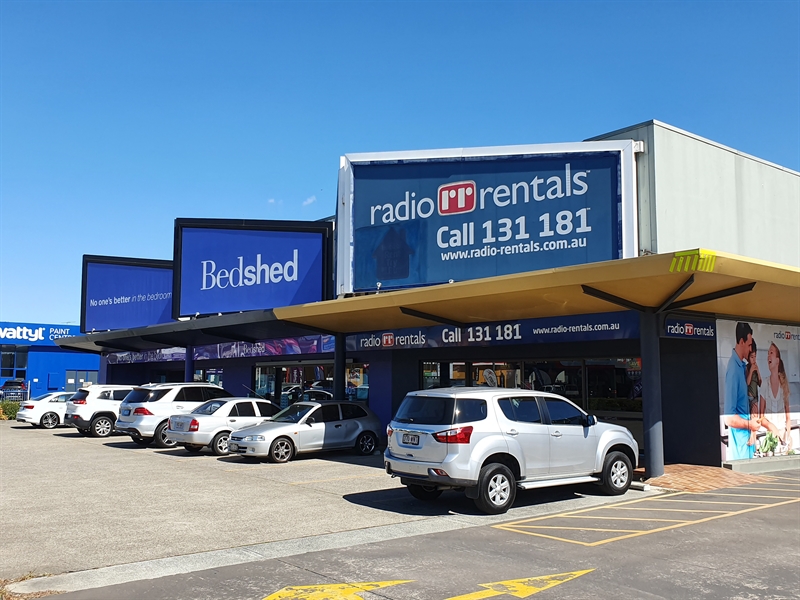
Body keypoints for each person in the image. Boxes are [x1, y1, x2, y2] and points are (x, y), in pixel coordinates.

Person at [723, 322, 761, 460]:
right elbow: (729, 418)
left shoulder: (742, 367)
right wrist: (750, 425)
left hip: (748, 447)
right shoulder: (733, 370)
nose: (751, 349)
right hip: (740, 450)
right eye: (749, 345)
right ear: (741, 341)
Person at [758, 342, 793, 452]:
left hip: (783, 439)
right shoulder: (765, 384)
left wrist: (788, 436)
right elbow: (761, 418)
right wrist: (771, 427)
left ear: (777, 360)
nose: (768, 355)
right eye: (768, 353)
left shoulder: (784, 386)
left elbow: (788, 418)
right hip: (769, 439)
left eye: (771, 353)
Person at [746, 340, 762, 448]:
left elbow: (760, 383)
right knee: (751, 419)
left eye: (755, 357)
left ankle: (753, 440)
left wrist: (758, 371)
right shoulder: (747, 368)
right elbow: (746, 383)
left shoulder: (756, 368)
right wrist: (751, 371)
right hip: (749, 396)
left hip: (755, 397)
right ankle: (752, 440)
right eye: (752, 357)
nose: (754, 359)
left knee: (755, 418)